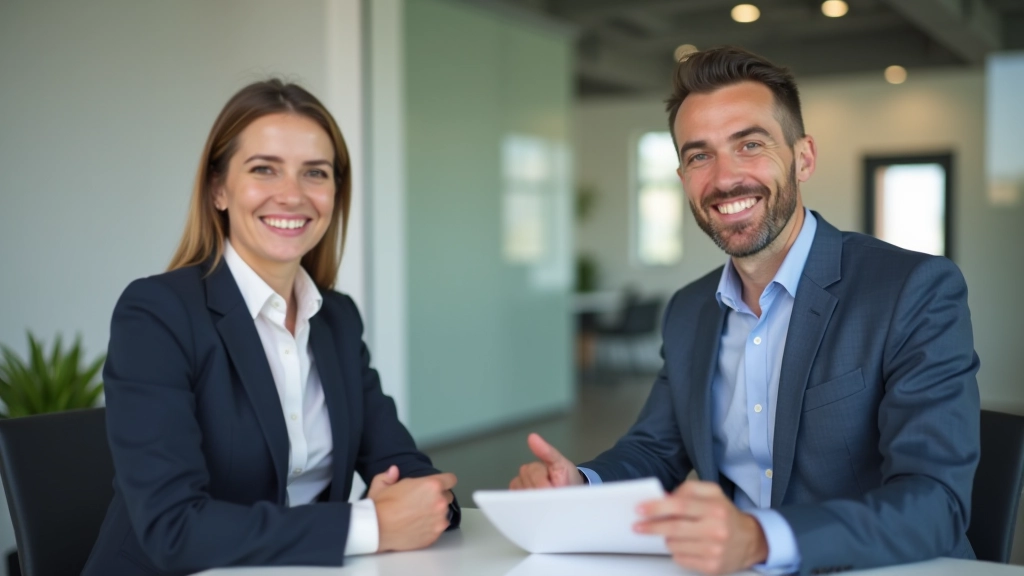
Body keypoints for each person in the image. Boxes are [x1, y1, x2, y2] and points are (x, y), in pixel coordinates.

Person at [510, 47, 980, 575]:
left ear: (803, 158)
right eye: (699, 155)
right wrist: (581, 485)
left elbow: (935, 504)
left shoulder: (911, 290)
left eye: (750, 144)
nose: (725, 178)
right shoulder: (690, 310)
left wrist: (760, 538)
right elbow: (655, 452)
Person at [83, 80, 459, 576]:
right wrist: (370, 525)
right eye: (265, 169)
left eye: (315, 174)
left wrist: (424, 503)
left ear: (334, 194)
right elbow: (173, 529)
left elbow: (410, 470)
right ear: (218, 188)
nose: (292, 195)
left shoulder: (337, 319)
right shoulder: (157, 314)